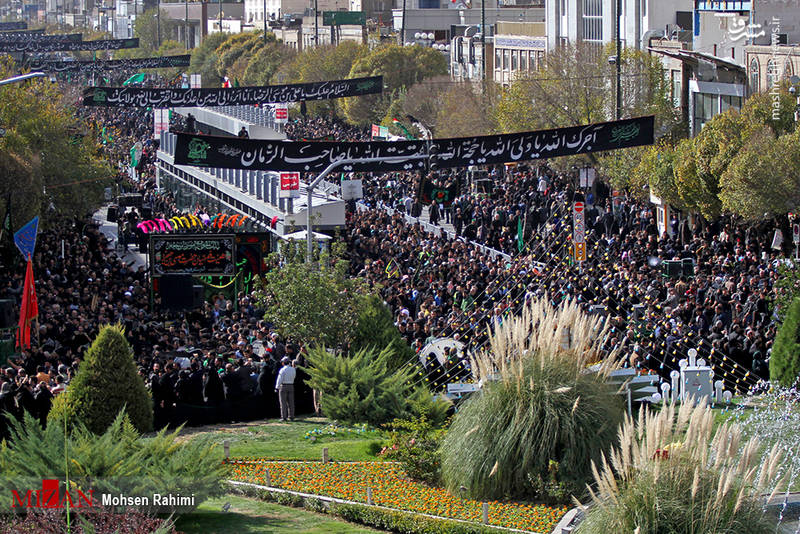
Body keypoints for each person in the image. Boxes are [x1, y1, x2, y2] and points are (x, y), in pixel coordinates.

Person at [275, 356, 296, 421]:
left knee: (283, 402)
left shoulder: (282, 370)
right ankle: (291, 416)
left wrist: (277, 387)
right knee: (291, 402)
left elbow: (280, 379)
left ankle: (284, 417)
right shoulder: (293, 369)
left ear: (283, 362)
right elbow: (294, 376)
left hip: (283, 386)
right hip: (291, 385)